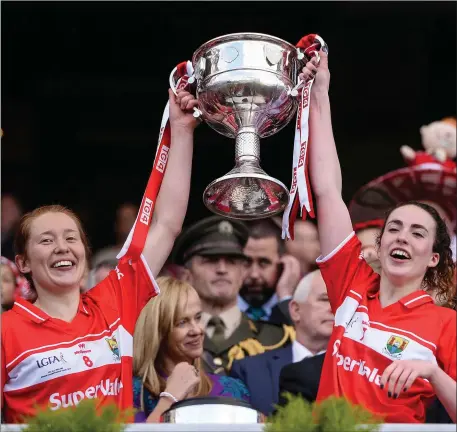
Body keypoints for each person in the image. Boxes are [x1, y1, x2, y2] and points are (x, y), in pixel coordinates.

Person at [1, 88, 199, 423]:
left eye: (71, 238)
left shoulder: (114, 302)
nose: (62, 247)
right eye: (46, 241)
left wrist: (181, 131)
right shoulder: (5, 331)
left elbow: (166, 225)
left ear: (84, 252)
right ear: (22, 263)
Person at [302, 50, 456, 423]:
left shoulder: (445, 324)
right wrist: (320, 93)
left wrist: (433, 373)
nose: (402, 237)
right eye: (394, 228)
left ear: (434, 256)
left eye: (418, 233)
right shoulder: (351, 282)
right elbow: (327, 190)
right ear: (380, 242)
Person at [172, 216, 295, 376]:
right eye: (210, 260)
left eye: (231, 261)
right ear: (186, 275)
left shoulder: (278, 338)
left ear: (243, 272)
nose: (222, 269)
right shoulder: (168, 337)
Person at [132, 277, 250, 423]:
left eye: (198, 317)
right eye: (182, 323)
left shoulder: (232, 389)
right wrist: (169, 398)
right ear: (158, 331)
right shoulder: (132, 392)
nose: (197, 330)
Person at [230, 269, 333, 415]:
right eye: (326, 299)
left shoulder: (363, 373)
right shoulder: (249, 371)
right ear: (296, 310)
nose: (336, 308)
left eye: (342, 301)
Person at [240, 218, 301, 325]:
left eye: (264, 263)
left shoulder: (302, 308)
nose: (254, 274)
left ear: (283, 264)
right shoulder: (217, 308)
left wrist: (285, 296)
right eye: (246, 262)